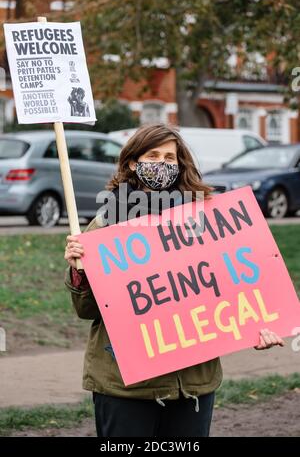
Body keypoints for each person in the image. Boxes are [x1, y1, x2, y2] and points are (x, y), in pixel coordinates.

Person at [64, 124, 284, 438]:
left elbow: (229, 285)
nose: (162, 163)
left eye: (170, 157)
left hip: (193, 385)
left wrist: (256, 324)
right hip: (127, 387)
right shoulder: (107, 224)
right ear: (131, 163)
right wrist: (79, 271)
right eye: (152, 155)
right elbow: (86, 309)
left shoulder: (208, 219)